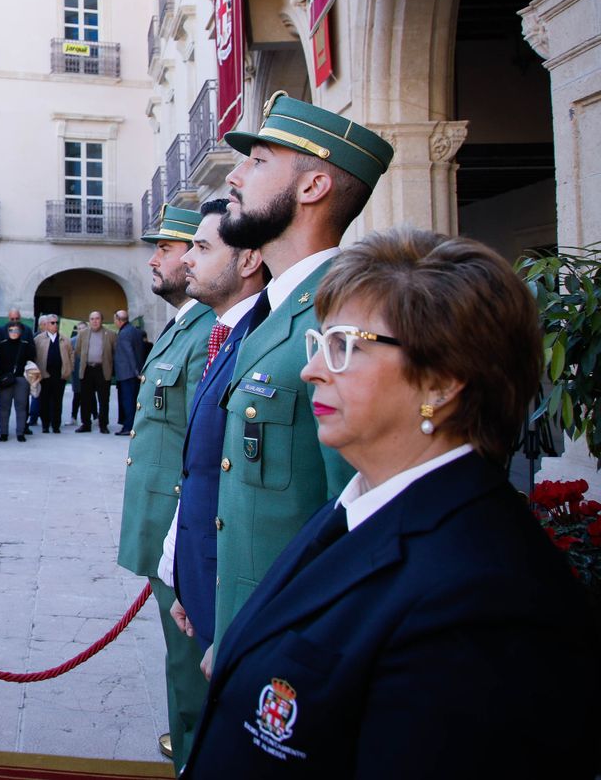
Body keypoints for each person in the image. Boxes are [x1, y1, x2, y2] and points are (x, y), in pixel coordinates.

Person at [185, 229, 599, 777]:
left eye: (343, 346)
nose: (311, 370)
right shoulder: (361, 504)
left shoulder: (481, 597)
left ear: (442, 382)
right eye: (318, 344)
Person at [208, 91, 393, 647]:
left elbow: (355, 519)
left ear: (313, 187)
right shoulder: (276, 309)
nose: (235, 178)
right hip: (246, 620)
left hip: (293, 640)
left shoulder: (345, 316)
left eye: (259, 162)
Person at [110, 205, 212, 767]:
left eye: (169, 248)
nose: (156, 258)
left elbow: (200, 443)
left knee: (188, 660)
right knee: (180, 658)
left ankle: (195, 757)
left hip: (182, 526)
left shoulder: (206, 331)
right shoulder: (184, 325)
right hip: (166, 523)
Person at [165, 200, 271, 668]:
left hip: (248, 604)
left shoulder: (258, 336)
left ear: (248, 261)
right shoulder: (227, 334)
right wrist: (188, 576)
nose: (186, 258)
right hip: (208, 578)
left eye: (201, 247)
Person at [0, 321, 34, 442]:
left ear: (20, 332)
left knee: (21, 407)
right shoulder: (1, 345)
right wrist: (0, 377)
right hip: (5, 380)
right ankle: (4, 433)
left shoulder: (26, 345)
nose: (14, 333)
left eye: (16, 330)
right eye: (11, 330)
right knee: (4, 407)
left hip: (21, 379)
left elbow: (31, 362)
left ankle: (20, 433)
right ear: (7, 331)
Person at [73, 311, 112, 432]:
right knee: (85, 399)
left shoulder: (110, 334)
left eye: (97, 318)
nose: (95, 321)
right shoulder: (83, 334)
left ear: (101, 320)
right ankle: (86, 424)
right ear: (89, 321)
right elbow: (78, 350)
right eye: (92, 319)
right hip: (87, 369)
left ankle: (103, 425)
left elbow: (114, 351)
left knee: (103, 399)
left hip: (102, 369)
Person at [32, 315, 68, 434]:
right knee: (44, 401)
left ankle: (56, 425)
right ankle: (45, 425)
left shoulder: (64, 339)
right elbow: (34, 355)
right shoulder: (38, 339)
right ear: (46, 325)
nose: (55, 325)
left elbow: (71, 355)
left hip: (59, 375)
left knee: (57, 401)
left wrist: (68, 369)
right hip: (44, 375)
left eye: (56, 322)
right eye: (52, 323)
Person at [112, 310, 144, 436]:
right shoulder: (134, 330)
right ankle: (130, 425)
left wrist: (136, 371)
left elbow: (129, 353)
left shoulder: (124, 333)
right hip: (132, 373)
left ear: (119, 320)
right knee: (132, 400)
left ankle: (128, 426)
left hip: (127, 373)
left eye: (115, 319)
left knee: (128, 401)